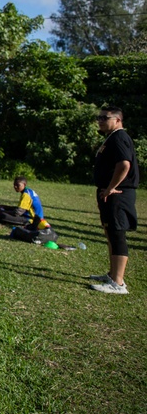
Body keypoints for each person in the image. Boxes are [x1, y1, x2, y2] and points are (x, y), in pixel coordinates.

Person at [89, 106, 139, 294]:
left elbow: (124, 164)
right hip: (108, 193)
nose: (100, 120)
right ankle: (112, 275)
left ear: (117, 120)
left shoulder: (119, 137)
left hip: (118, 194)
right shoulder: (112, 138)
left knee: (117, 234)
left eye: (105, 117)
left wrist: (111, 187)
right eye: (99, 117)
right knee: (110, 232)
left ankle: (117, 283)